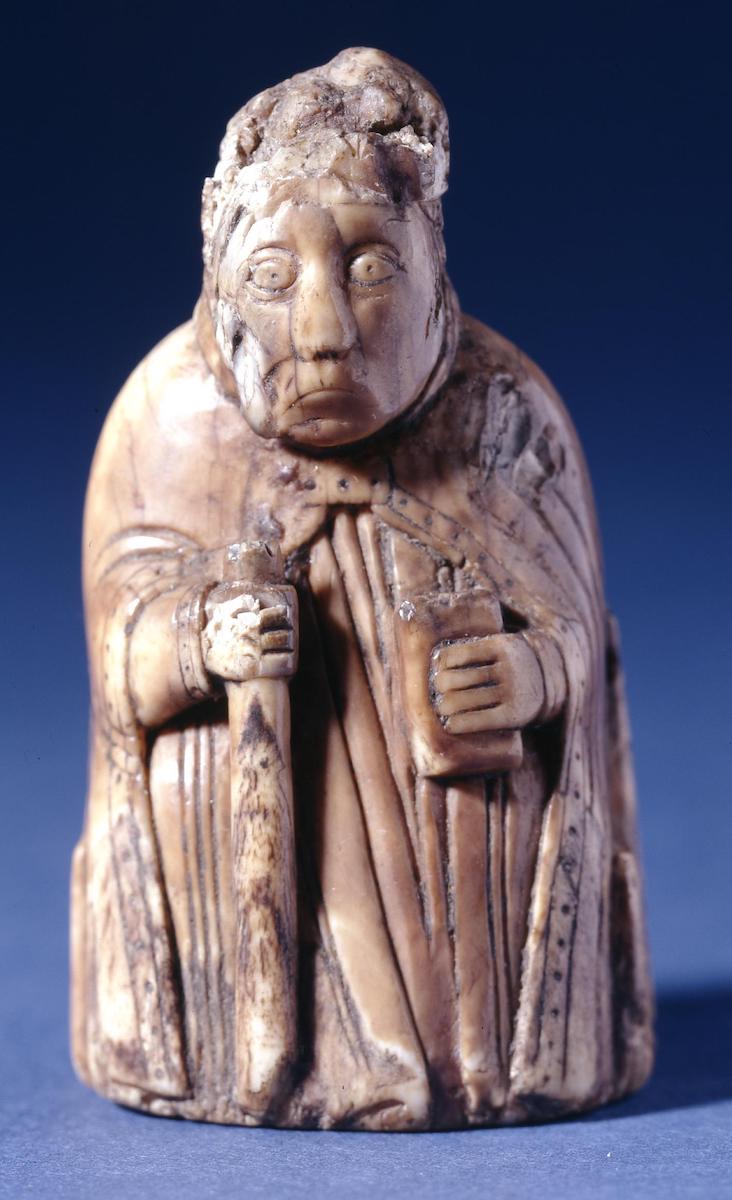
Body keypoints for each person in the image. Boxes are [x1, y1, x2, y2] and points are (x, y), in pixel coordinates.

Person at [71, 47, 653, 1129]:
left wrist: (530, 670)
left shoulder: (503, 414)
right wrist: (199, 636)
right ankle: (275, 1056)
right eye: (272, 278)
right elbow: (119, 638)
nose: (326, 332)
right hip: (243, 901)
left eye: (373, 269)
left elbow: (582, 640)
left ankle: (473, 1062)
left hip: (466, 889)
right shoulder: (167, 422)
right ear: (219, 269)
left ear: (434, 260)